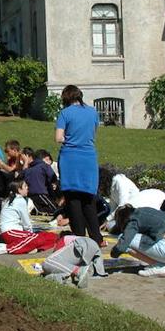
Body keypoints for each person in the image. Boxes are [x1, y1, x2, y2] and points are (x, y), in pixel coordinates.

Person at [55, 84, 103, 245]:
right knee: (89, 199)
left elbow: (59, 137)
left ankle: (79, 236)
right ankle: (96, 237)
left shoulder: (65, 113)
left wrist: (70, 138)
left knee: (73, 198)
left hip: (70, 158)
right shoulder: (93, 112)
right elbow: (94, 133)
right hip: (89, 157)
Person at [110, 205, 165, 277]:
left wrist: (114, 253)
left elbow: (123, 245)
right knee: (146, 240)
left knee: (123, 239)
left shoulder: (133, 219)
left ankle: (158, 266)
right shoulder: (145, 210)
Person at [0, 180, 60, 256]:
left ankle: (33, 248)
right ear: (19, 190)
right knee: (36, 238)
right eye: (25, 186)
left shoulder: (12, 199)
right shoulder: (19, 201)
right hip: (10, 232)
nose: (27, 188)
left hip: (17, 231)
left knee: (49, 236)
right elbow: (26, 223)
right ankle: (7, 248)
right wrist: (30, 233)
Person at [24, 149, 59, 214]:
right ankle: (35, 208)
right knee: (55, 208)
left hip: (31, 193)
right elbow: (52, 175)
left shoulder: (30, 168)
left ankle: (36, 209)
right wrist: (55, 182)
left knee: (44, 206)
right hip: (40, 192)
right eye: (47, 159)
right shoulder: (44, 166)